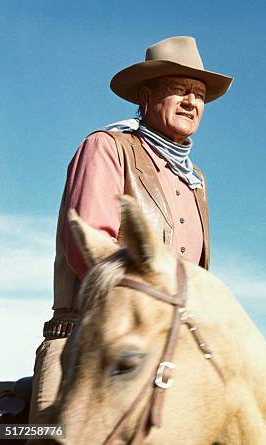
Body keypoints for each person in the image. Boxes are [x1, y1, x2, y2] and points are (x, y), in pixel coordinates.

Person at [29, 36, 233, 421]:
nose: (191, 102)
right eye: (178, 90)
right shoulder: (107, 146)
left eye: (199, 95)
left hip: (169, 353)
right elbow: (87, 248)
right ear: (145, 96)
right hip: (88, 343)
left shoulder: (196, 179)